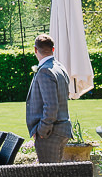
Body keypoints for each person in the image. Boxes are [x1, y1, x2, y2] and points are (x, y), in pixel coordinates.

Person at [26, 33, 71, 164]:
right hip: (62, 128)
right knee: (55, 173)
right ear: (53, 49)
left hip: (51, 133)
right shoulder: (60, 67)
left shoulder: (45, 71)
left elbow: (51, 106)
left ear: (35, 49)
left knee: (48, 176)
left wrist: (42, 130)